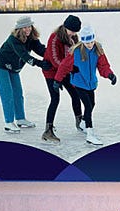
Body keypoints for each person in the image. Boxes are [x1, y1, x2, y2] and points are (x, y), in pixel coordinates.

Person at [53, 24, 116, 146]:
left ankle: (82, 122)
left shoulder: (98, 49)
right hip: (79, 82)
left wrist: (110, 75)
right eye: (87, 43)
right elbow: (64, 66)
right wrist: (57, 80)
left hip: (91, 83)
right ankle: (90, 134)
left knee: (92, 104)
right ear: (82, 41)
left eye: (91, 41)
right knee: (88, 106)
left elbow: (103, 66)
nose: (90, 45)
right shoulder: (76, 51)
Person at [0, 16, 50, 134]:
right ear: (19, 29)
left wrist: (52, 55)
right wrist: (40, 64)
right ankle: (9, 122)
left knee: (18, 93)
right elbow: (24, 56)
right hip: (1, 66)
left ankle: (20, 119)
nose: (28, 29)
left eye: (29, 26)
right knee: (7, 94)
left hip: (14, 68)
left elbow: (40, 50)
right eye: (25, 27)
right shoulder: (13, 40)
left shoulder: (32, 38)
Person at [40, 15, 82, 143]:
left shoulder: (73, 38)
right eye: (72, 31)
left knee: (75, 93)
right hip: (51, 72)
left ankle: (80, 122)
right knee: (55, 98)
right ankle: (48, 130)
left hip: (65, 71)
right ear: (65, 27)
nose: (74, 34)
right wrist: (69, 69)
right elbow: (55, 60)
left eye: (76, 31)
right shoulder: (55, 38)